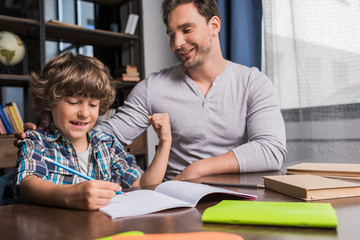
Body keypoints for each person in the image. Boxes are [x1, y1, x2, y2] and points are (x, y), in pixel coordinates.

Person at [17, 0, 286, 181]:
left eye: (186, 29)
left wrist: (199, 167)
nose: (178, 43)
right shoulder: (153, 88)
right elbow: (103, 134)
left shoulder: (253, 82)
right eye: (171, 34)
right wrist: (47, 134)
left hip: (238, 195)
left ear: (214, 25)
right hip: (176, 200)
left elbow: (271, 150)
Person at [11, 52, 171, 210]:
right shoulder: (36, 141)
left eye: (93, 105)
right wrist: (69, 195)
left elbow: (143, 186)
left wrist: (165, 143)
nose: (84, 113)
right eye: (73, 102)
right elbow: (26, 184)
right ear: (49, 102)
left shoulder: (107, 144)